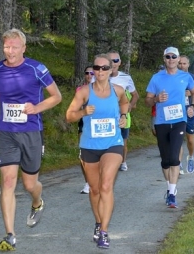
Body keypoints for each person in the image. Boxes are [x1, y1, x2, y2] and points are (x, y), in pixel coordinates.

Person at [0, 28, 62, 251]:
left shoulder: (36, 69)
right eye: (7, 47)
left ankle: (37, 202)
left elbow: (56, 96)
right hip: (6, 132)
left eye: (15, 47)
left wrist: (36, 107)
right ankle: (10, 234)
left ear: (24, 48)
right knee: (8, 182)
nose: (10, 51)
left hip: (31, 131)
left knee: (29, 184)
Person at [65, 54, 130, 249]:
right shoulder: (84, 92)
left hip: (113, 143)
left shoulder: (118, 90)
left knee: (106, 186)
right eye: (97, 68)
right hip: (90, 145)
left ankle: (104, 232)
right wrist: (83, 112)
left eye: (104, 68)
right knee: (94, 189)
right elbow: (69, 116)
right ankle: (98, 222)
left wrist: (124, 116)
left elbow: (125, 103)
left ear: (111, 71)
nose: (100, 71)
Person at [145, 46, 194, 208]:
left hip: (179, 120)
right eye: (168, 57)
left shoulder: (185, 76)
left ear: (178, 58)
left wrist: (192, 106)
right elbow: (147, 100)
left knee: (175, 157)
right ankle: (169, 189)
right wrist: (156, 100)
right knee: (165, 160)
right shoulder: (156, 78)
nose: (171, 59)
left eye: (173, 57)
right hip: (161, 121)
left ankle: (173, 194)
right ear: (164, 59)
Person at [94, 52, 139, 171]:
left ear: (120, 62)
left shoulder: (126, 78)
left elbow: (135, 95)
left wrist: (129, 106)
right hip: (104, 116)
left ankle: (123, 162)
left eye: (116, 60)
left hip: (121, 116)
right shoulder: (98, 76)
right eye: (110, 60)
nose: (113, 63)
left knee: (122, 141)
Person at [177, 55, 194, 173]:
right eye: (180, 63)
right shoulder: (173, 77)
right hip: (176, 111)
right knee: (177, 138)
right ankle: (178, 164)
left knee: (190, 139)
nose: (181, 66)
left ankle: (191, 157)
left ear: (188, 64)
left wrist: (192, 93)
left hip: (189, 110)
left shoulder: (192, 77)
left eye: (184, 63)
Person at [79, 65, 95, 194]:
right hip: (84, 123)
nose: (89, 75)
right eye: (87, 73)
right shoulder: (80, 89)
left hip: (99, 124)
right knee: (83, 155)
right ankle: (87, 182)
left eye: (92, 73)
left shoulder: (104, 89)